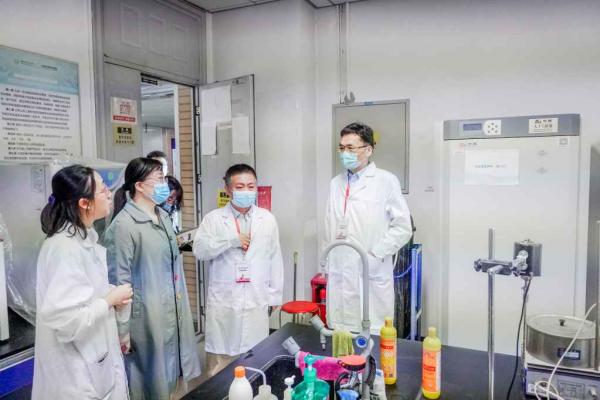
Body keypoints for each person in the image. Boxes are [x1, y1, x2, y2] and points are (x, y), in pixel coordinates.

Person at [103, 157, 201, 399]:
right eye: (158, 179)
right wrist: (122, 331)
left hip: (172, 311)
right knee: (150, 385)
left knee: (175, 380)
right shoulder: (124, 226)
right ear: (139, 185)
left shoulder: (163, 216)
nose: (164, 185)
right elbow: (119, 282)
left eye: (164, 179)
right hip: (146, 319)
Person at [33, 165, 133, 400]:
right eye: (103, 190)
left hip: (96, 364)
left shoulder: (84, 239)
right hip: (75, 377)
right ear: (84, 203)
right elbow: (68, 321)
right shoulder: (64, 248)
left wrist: (111, 296)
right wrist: (109, 300)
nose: (110, 194)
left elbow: (85, 294)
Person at [193, 164, 283, 376]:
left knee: (255, 361)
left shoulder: (267, 218)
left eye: (251, 186)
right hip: (225, 302)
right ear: (228, 189)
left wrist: (275, 295)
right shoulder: (213, 219)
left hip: (256, 298)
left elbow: (275, 258)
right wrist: (230, 240)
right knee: (220, 368)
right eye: (240, 187)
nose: (246, 191)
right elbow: (200, 250)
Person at [323, 122, 412, 334]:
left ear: (369, 149)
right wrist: (326, 264)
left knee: (371, 338)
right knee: (340, 337)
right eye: (341, 148)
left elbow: (402, 227)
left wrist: (375, 255)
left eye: (350, 148)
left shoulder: (386, 181)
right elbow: (329, 225)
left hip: (370, 271)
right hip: (339, 271)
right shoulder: (335, 183)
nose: (344, 153)